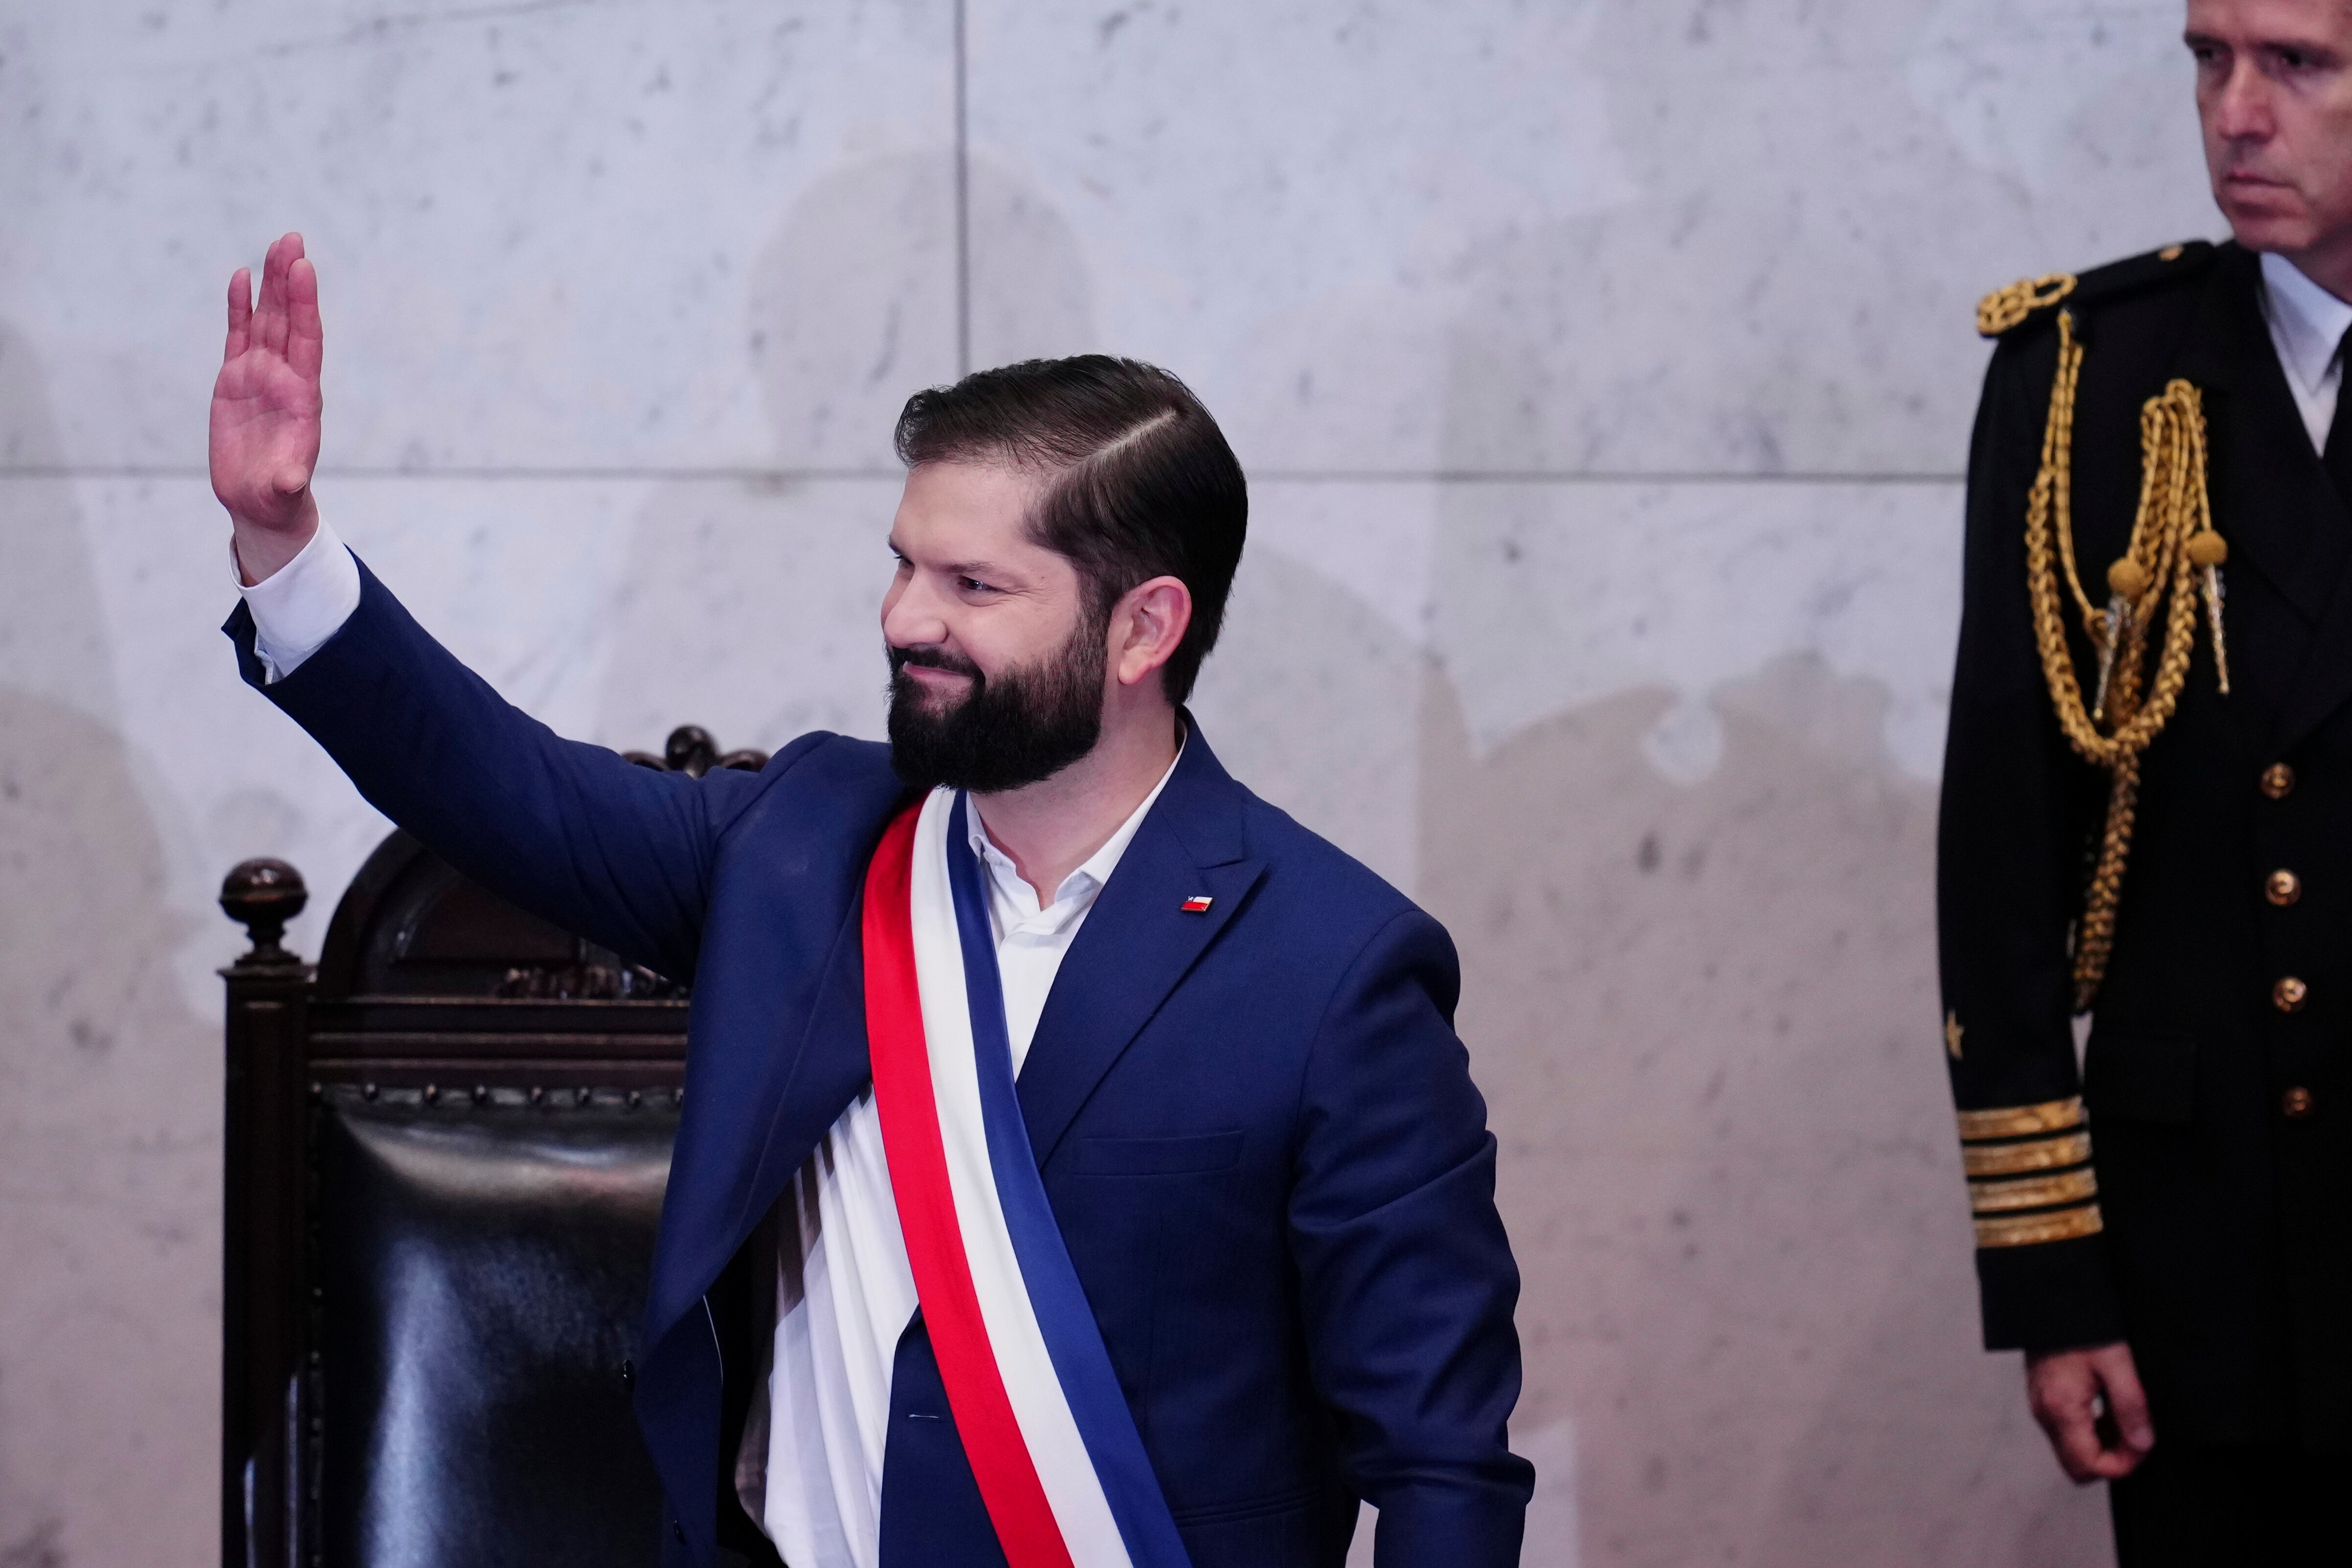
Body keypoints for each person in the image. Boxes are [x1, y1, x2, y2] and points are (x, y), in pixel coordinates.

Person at [207, 232, 1529, 1568]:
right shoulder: (802, 843)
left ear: (1143, 628)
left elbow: (1440, 1464)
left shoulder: (1333, 969)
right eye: (904, 563)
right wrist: (283, 541)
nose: (903, 618)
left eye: (973, 585)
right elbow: (504, 788)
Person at [1940, 0, 2352, 1558]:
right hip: (2203, 1270)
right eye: (2206, 58)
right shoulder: (2081, 387)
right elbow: (2000, 858)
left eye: (2295, 64)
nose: (2234, 113)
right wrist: (2053, 1282)